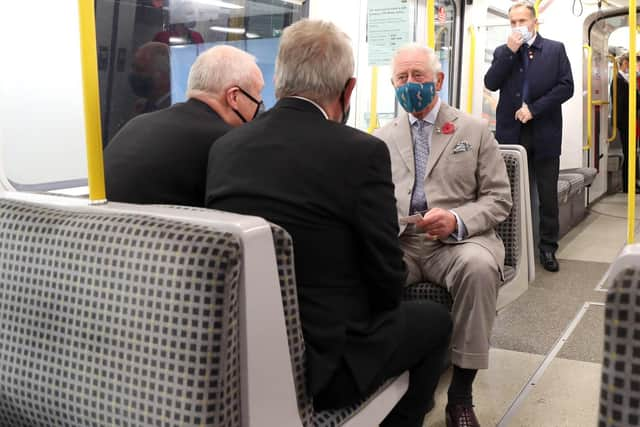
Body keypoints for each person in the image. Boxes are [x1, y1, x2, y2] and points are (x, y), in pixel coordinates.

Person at [205, 19, 452, 427]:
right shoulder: (361, 153)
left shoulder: (225, 148)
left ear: (278, 79)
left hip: (243, 352)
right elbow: (387, 280)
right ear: (349, 89)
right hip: (325, 368)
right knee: (434, 319)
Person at [374, 43, 512, 427]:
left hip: (458, 241)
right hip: (403, 239)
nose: (410, 84)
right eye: (401, 78)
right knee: (363, 271)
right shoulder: (381, 138)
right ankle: (387, 379)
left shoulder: (474, 130)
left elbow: (499, 199)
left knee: (479, 268)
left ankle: (460, 396)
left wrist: (456, 219)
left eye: (418, 75)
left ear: (438, 79)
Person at [104, 45, 264, 206]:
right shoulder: (229, 144)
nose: (260, 103)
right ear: (234, 97)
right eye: (258, 93)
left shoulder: (136, 125)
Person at [484, 0, 574, 272]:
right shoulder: (503, 51)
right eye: (512, 22)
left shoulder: (554, 50)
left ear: (534, 22)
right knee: (508, 193)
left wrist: (534, 109)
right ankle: (507, 250)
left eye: (522, 21)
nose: (517, 27)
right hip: (512, 134)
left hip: (545, 132)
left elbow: (566, 87)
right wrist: (510, 52)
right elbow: (491, 83)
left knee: (547, 196)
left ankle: (547, 249)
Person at [612, 52, 639, 193]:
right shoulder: (619, 80)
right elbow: (622, 103)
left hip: (629, 121)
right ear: (625, 63)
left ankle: (632, 182)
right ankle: (628, 185)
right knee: (629, 152)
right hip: (625, 122)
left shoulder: (624, 80)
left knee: (632, 152)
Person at [128, 42, 172, 114]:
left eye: (140, 70)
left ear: (163, 77)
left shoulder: (174, 112)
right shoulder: (145, 105)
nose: (134, 74)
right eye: (133, 68)